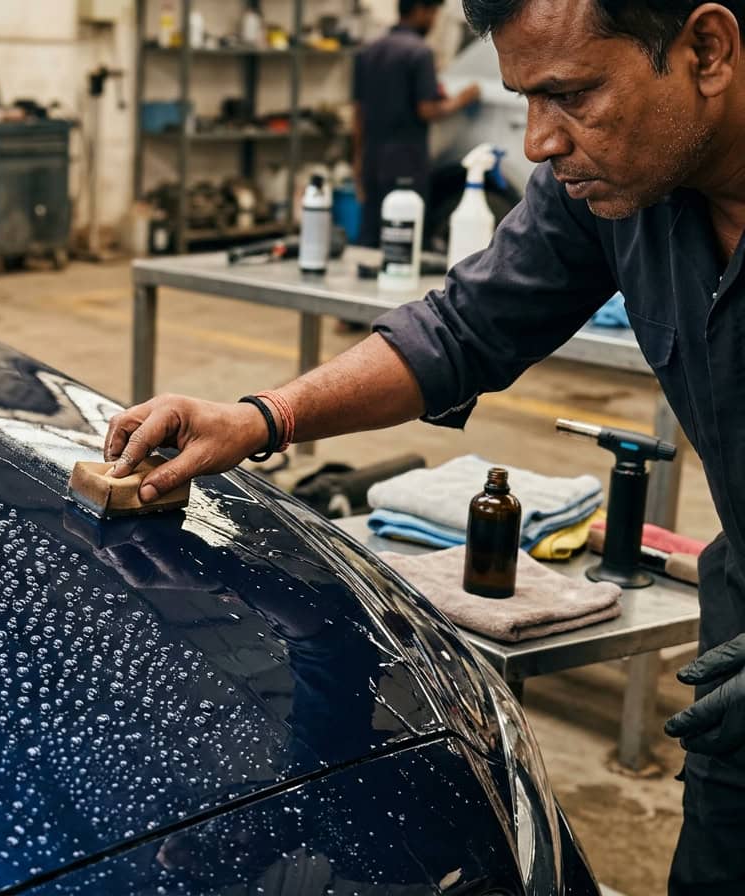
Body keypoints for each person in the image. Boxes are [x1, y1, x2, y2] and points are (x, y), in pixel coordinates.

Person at [103, 2, 745, 892]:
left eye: (572, 95)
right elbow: (462, 327)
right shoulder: (613, 189)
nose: (539, 142)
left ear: (706, 51)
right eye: (526, 98)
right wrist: (260, 418)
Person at [353, 0, 482, 247]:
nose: (434, 22)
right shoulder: (419, 52)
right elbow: (426, 110)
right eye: (433, 13)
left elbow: (358, 112)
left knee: (370, 235)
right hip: (406, 162)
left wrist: (357, 160)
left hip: (372, 160)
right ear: (421, 11)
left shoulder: (369, 51)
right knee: (405, 239)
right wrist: (463, 99)